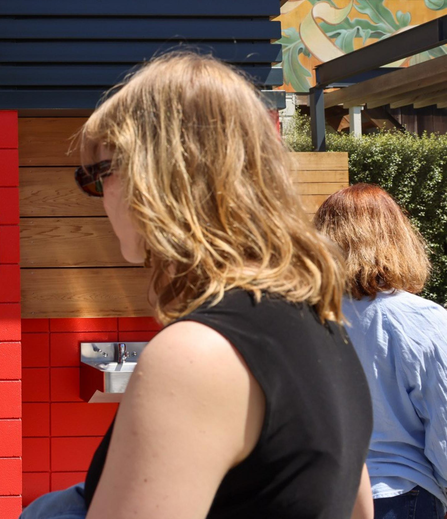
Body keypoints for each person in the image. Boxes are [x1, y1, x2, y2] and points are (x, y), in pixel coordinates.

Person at [25, 52, 373, 519]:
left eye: (98, 175)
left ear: (159, 176)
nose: (98, 197)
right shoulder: (328, 330)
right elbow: (359, 509)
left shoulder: (196, 354)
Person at [315, 184, 447, 519]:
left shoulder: (298, 317)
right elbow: (443, 424)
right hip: (403, 494)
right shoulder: (425, 320)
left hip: (323, 494)